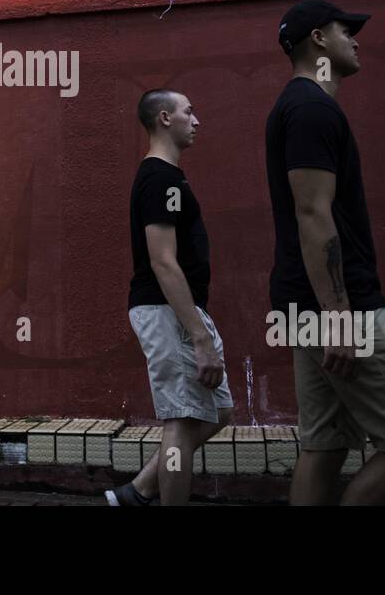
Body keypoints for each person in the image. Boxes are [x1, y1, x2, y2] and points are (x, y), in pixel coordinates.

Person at [265, 0, 385, 505]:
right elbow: (313, 214)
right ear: (318, 39)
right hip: (340, 309)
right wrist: (340, 315)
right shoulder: (311, 109)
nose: (356, 39)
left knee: (325, 446)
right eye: (347, 30)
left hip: (309, 305)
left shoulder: (301, 107)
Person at [107, 89, 232, 506]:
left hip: (181, 309)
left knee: (220, 411)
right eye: (188, 112)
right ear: (164, 118)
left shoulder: (169, 177)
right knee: (181, 421)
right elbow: (163, 262)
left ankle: (140, 490)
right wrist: (198, 336)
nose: (197, 121)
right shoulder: (159, 178)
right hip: (167, 311)